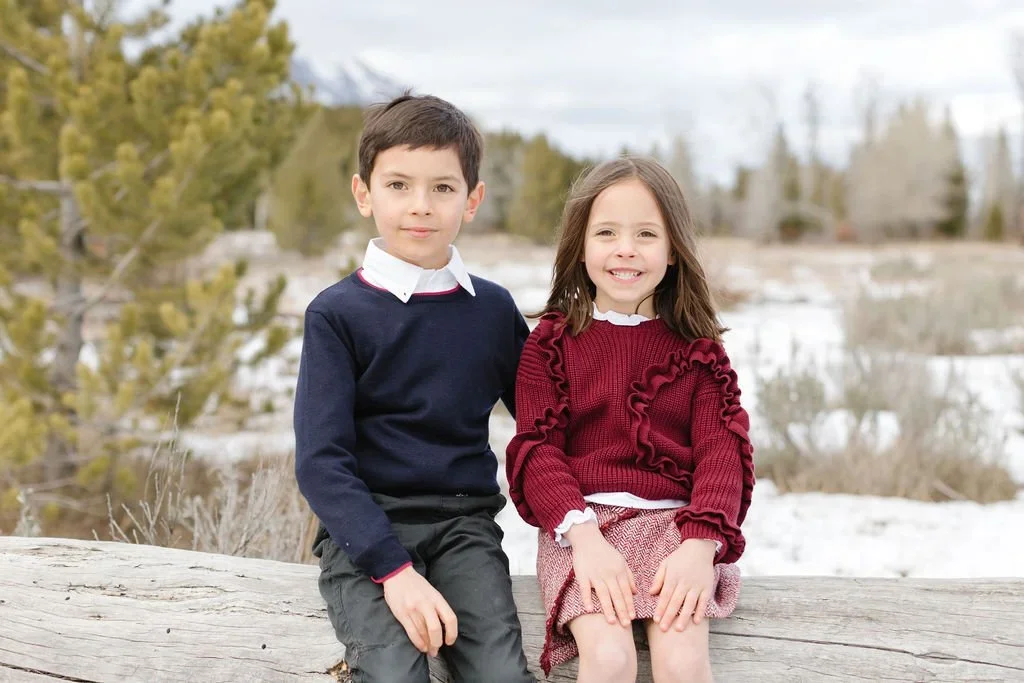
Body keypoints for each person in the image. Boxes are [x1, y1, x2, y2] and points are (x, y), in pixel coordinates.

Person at [294, 93, 535, 683]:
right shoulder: (337, 314)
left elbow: (548, 419)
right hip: (366, 532)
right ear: (363, 193)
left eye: (443, 188)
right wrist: (393, 571)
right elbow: (322, 462)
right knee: (396, 676)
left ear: (472, 200)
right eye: (398, 185)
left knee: (502, 675)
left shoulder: (492, 309)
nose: (420, 207)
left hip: (464, 527)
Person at [505, 156, 753, 682]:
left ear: (673, 251)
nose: (625, 249)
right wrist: (585, 539)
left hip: (676, 531)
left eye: (646, 233)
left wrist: (700, 543)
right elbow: (537, 451)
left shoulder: (698, 352)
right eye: (607, 233)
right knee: (612, 658)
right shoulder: (551, 345)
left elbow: (721, 453)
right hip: (582, 528)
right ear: (580, 246)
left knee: (684, 662)